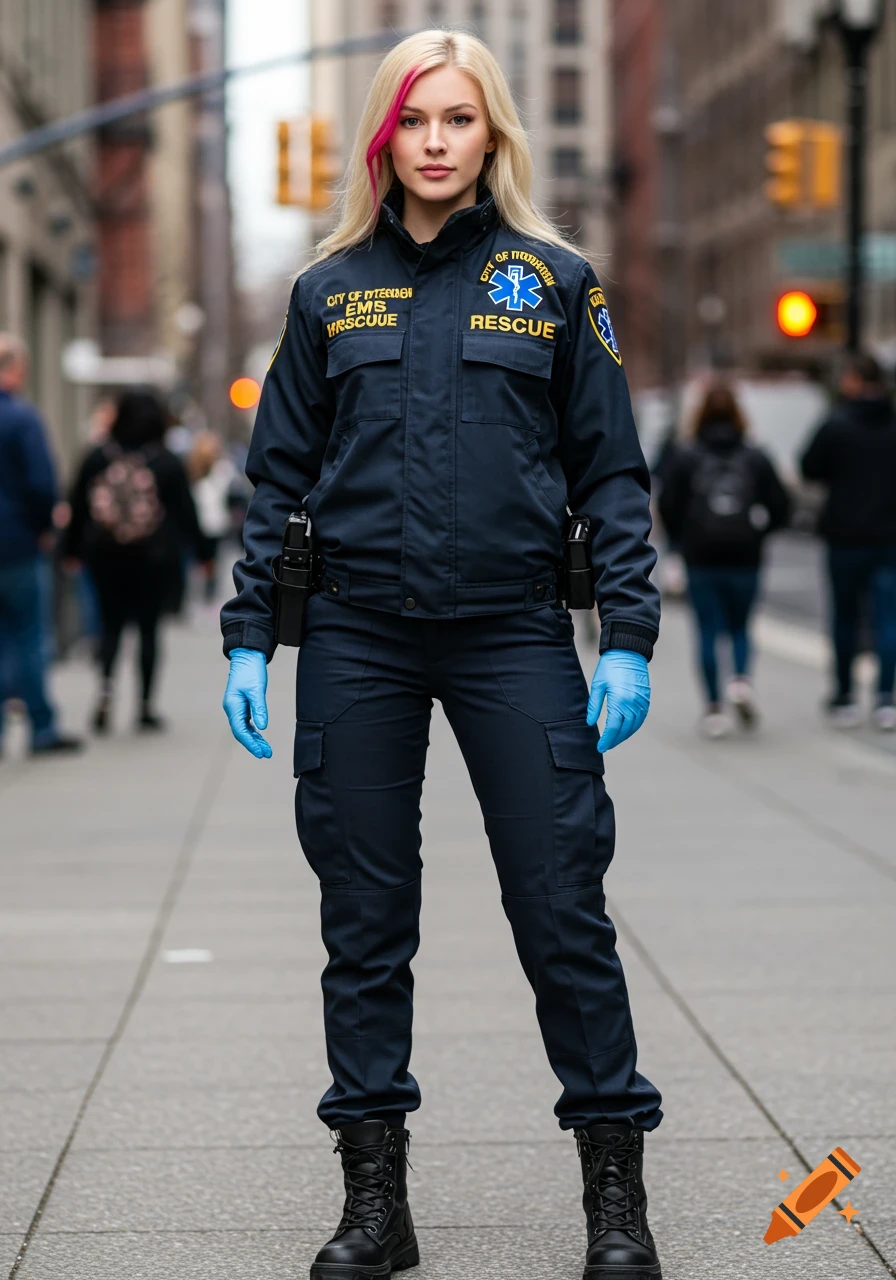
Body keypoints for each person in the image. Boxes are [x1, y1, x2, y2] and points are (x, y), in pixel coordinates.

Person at [221, 31, 663, 1280]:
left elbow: (611, 475)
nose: (433, 141)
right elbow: (276, 484)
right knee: (364, 920)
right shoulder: (324, 295)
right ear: (381, 137)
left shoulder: (554, 281)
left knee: (560, 904)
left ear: (491, 136)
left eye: (458, 119)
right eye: (412, 120)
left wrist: (622, 638)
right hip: (357, 632)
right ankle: (376, 1205)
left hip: (511, 631)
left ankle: (614, 1200)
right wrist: (250, 638)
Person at [65, 390, 204, 733]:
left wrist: (70, 552)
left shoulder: (97, 456)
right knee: (148, 629)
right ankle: (144, 706)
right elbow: (186, 512)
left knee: (110, 626)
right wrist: (205, 553)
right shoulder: (166, 461)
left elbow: (78, 506)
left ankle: (106, 691)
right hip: (153, 560)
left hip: (105, 557)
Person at [659, 380, 790, 737]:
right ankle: (741, 681)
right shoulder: (755, 456)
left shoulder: (686, 456)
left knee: (706, 629)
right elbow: (781, 506)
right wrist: (760, 533)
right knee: (740, 626)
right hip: (745, 554)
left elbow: (669, 508)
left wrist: (679, 543)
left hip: (701, 555)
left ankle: (714, 708)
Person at [801, 353, 896, 730]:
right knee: (888, 619)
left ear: (856, 380)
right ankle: (886, 697)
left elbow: (810, 467)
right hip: (889, 537)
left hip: (844, 537)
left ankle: (844, 695)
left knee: (845, 618)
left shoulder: (836, 424)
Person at [0, 333, 82, 757]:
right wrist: (44, 526)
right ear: (15, 368)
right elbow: (40, 483)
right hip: (17, 543)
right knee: (30, 635)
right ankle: (41, 726)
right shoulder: (22, 419)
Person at [188, 430, 240, 602]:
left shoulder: (222, 469)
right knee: (208, 558)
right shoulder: (195, 469)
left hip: (213, 521)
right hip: (203, 520)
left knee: (210, 558)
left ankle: (208, 588)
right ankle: (206, 587)